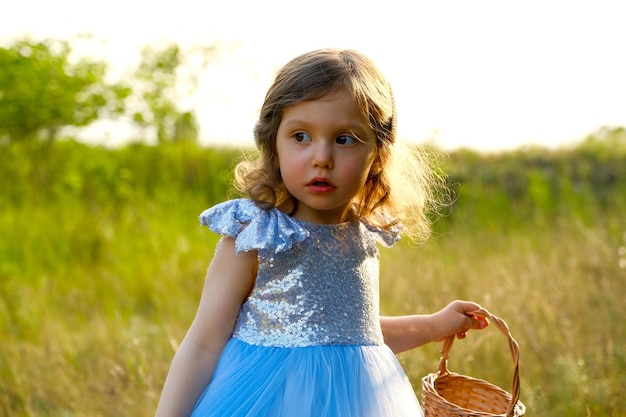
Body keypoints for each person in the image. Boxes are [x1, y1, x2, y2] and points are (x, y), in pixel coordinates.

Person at [154, 48, 489, 417]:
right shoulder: (257, 236)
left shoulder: (361, 238)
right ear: (273, 144)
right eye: (301, 136)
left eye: (345, 139)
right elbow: (203, 343)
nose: (322, 157)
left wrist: (434, 324)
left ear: (377, 154)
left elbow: (355, 337)